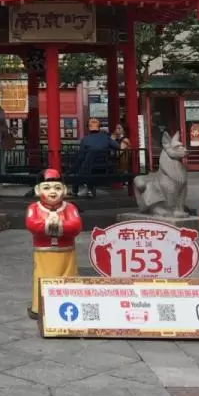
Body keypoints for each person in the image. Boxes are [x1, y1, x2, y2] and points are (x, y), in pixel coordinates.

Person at [24, 168, 82, 318]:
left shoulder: (70, 208)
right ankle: (41, 307)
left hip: (66, 251)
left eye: (57, 188)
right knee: (42, 279)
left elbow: (76, 225)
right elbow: (32, 224)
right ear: (37, 190)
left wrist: (58, 224)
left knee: (68, 279)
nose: (52, 192)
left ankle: (69, 306)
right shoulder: (34, 208)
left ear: (64, 190)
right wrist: (50, 224)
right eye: (46, 188)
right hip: (44, 252)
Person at [74, 118, 118, 197]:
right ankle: (90, 190)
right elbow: (117, 146)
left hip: (89, 168)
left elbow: (81, 156)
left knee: (78, 169)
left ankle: (75, 192)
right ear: (99, 127)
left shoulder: (85, 139)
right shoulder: (106, 137)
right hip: (105, 167)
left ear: (89, 127)